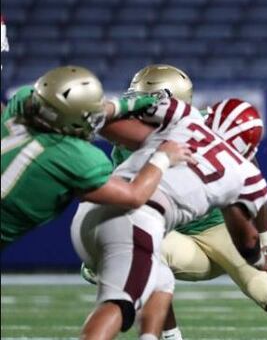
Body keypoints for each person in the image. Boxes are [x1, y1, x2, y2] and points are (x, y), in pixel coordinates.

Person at [72, 94, 267, 340]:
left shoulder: (184, 118)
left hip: (103, 213)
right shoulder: (242, 173)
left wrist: (116, 106)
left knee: (157, 281)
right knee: (124, 299)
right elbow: (245, 238)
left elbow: (112, 121)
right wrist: (259, 257)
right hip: (144, 223)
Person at [1, 65, 191, 248]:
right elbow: (134, 196)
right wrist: (163, 157)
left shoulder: (20, 103)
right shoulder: (73, 156)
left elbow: (76, 112)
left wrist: (126, 104)